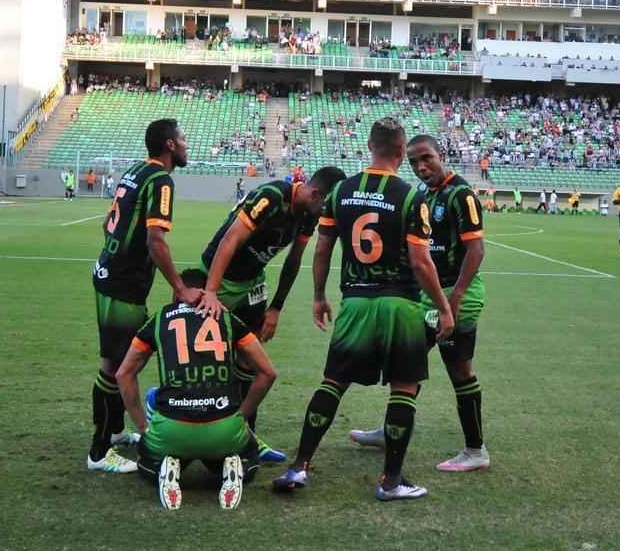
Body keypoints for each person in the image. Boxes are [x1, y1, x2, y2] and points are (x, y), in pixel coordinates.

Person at [272, 118, 454, 502]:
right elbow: (422, 263)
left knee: (334, 381)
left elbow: (322, 250)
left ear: (369, 146)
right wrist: (443, 308)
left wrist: (319, 295)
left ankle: (299, 465)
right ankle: (391, 481)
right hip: (400, 304)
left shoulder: (341, 191)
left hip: (355, 300)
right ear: (402, 152)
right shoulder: (410, 196)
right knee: (404, 387)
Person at [349, 135, 488, 472]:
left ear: (442, 155)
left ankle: (475, 450)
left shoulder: (461, 194)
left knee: (459, 370)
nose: (422, 167)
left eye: (427, 158)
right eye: (414, 162)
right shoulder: (425, 195)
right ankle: (390, 430)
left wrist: (453, 299)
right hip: (430, 295)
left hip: (458, 295)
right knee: (406, 362)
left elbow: (476, 250)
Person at [191, 165, 346, 462]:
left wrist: (276, 307)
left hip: (252, 282)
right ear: (315, 193)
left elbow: (293, 261)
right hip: (219, 278)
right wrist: (210, 291)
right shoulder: (271, 197)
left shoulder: (309, 214)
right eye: (327, 203)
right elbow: (230, 240)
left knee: (250, 359)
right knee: (203, 358)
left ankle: (244, 437)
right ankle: (191, 428)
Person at [87, 119, 212, 474]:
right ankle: (98, 452)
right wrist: (179, 287)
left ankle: (112, 433)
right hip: (122, 285)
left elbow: (109, 223)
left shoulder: (135, 171)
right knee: (117, 367)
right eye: (183, 139)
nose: (187, 145)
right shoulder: (160, 180)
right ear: (170, 145)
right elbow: (155, 239)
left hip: (108, 273)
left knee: (115, 362)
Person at [116, 297, 276, 510]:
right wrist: (243, 414)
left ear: (176, 295)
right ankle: (232, 469)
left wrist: (143, 427)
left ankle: (167, 468)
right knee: (248, 455)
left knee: (147, 460)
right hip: (223, 427)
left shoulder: (161, 317)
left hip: (171, 430)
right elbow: (268, 373)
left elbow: (123, 374)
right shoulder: (226, 317)